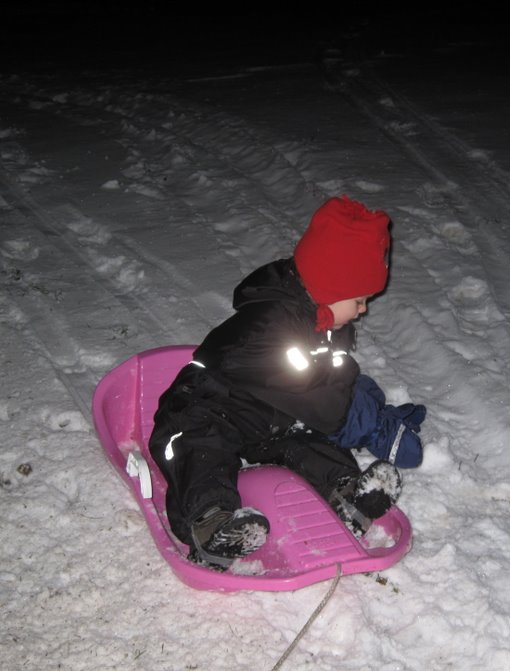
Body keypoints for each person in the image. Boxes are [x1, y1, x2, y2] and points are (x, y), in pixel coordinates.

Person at [148, 195, 426, 570]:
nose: (363, 310)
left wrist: (367, 401)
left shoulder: (326, 325)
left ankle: (346, 492)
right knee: (201, 450)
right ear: (330, 288)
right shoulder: (269, 327)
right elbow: (322, 401)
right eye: (359, 300)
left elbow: (333, 379)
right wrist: (366, 420)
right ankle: (211, 523)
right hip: (204, 407)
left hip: (266, 417)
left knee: (307, 441)